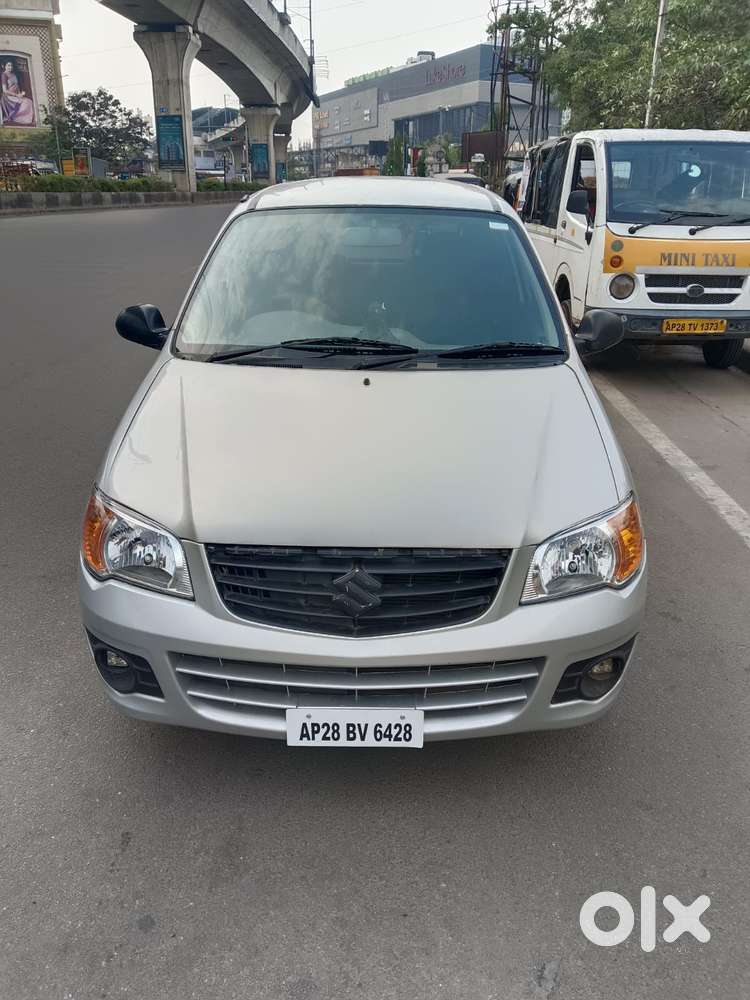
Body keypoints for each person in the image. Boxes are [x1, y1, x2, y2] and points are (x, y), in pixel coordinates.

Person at [1, 60, 35, 126]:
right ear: (4, 66)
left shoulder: (14, 75)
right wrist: (16, 95)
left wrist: (20, 94)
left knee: (29, 101)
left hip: (16, 95)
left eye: (11, 65)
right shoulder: (4, 75)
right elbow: (4, 90)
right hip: (8, 97)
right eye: (8, 65)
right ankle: (18, 118)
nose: (10, 67)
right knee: (25, 103)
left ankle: (29, 120)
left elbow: (17, 87)